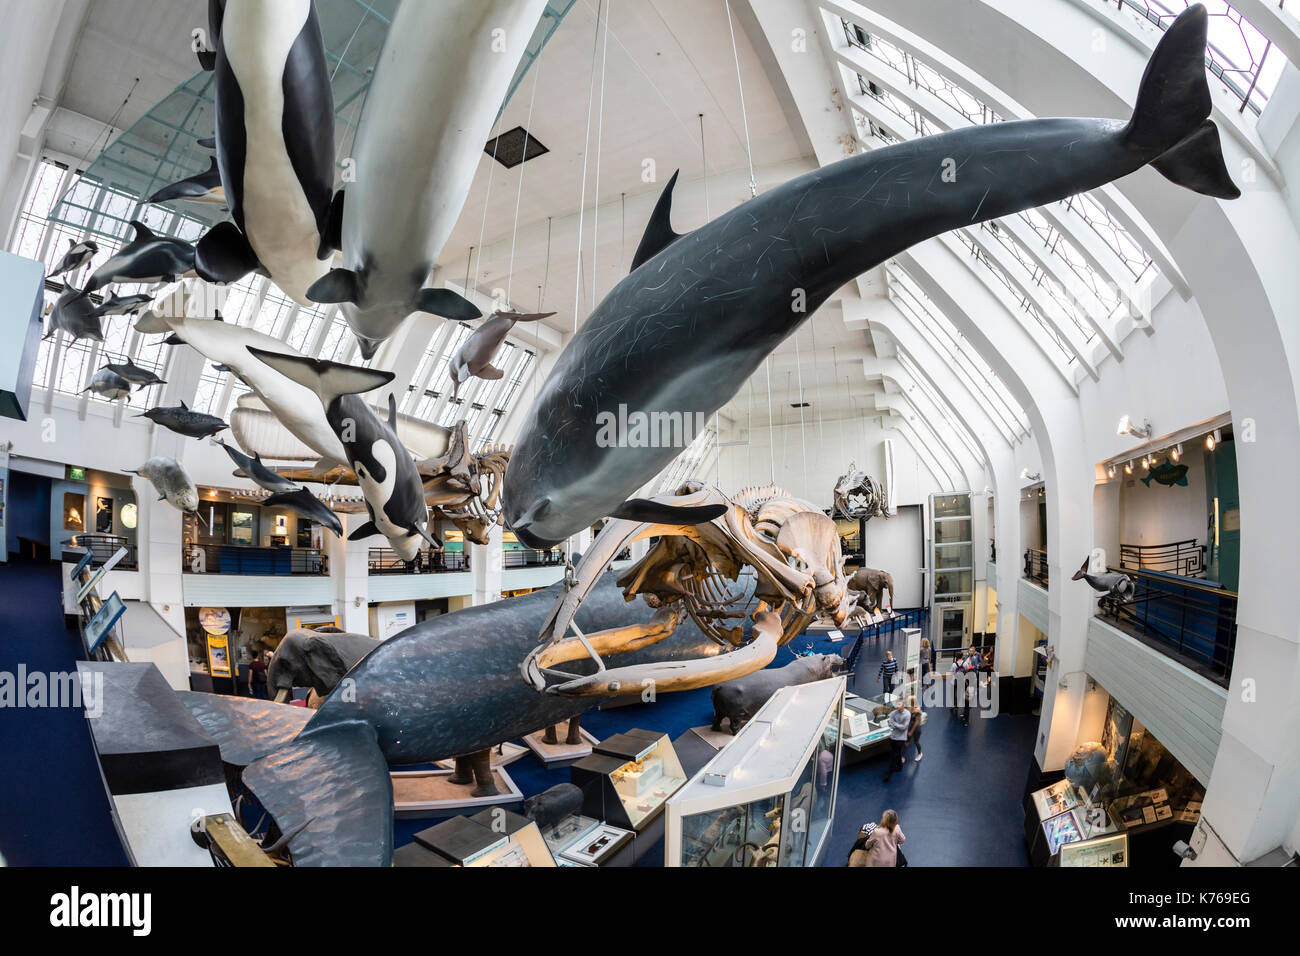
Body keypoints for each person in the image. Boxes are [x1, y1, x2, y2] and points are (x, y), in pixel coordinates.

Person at [882, 698, 910, 781]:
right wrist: (898, 725)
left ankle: (889, 772)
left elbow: (904, 728)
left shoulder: (907, 714)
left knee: (894, 754)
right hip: (893, 736)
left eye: (899, 704)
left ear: (903, 705)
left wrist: (895, 724)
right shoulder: (894, 713)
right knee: (897, 753)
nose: (897, 706)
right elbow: (890, 724)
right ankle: (900, 766)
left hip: (901, 738)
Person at [905, 695, 925, 762]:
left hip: (916, 728)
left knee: (916, 742)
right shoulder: (909, 708)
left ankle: (920, 753)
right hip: (910, 726)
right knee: (906, 742)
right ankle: (903, 756)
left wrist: (911, 732)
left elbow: (916, 722)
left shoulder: (917, 710)